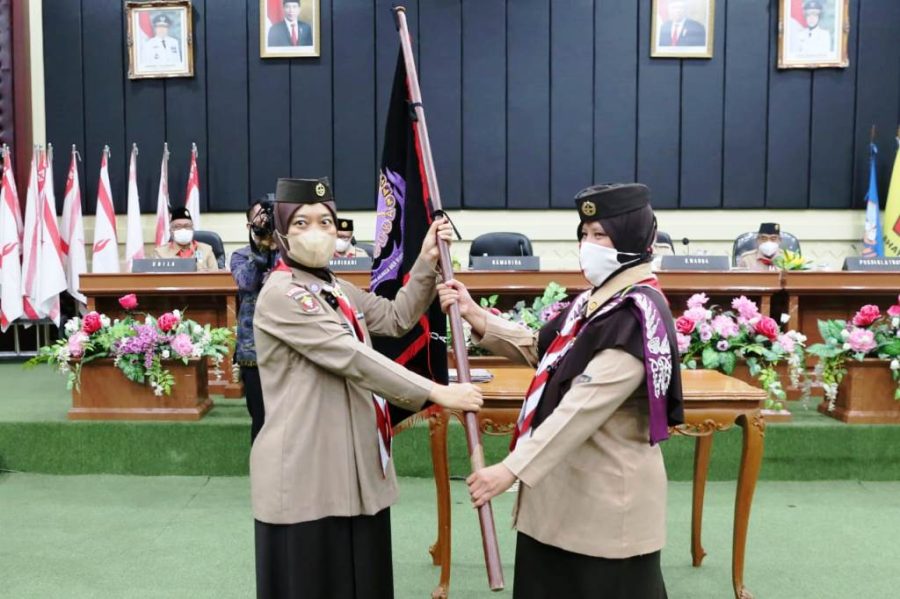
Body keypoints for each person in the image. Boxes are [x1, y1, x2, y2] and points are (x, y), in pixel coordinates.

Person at [438, 183, 684, 599]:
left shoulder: (638, 313)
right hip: (556, 499)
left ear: (631, 237)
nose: (588, 245)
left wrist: (510, 469)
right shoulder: (597, 300)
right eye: (584, 234)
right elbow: (544, 351)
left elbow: (580, 408)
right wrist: (476, 315)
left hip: (604, 510)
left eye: (600, 235)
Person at [251, 177, 483, 598]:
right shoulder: (283, 295)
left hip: (351, 465)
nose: (317, 232)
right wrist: (435, 391)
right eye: (301, 223)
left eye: (325, 221)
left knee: (362, 577)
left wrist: (428, 259)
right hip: (307, 471)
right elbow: (351, 355)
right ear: (282, 232)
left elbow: (395, 317)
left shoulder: (333, 289)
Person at [230, 196, 279, 444]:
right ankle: (263, 472)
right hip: (254, 351)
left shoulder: (290, 254)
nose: (264, 222)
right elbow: (246, 283)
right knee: (260, 417)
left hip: (287, 347)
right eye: (258, 218)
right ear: (249, 225)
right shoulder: (240, 255)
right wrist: (260, 248)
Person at [152, 206, 219, 271]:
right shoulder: (160, 253)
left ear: (192, 229)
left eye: (187, 226)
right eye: (178, 226)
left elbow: (216, 277)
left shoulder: (206, 250)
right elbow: (157, 280)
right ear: (171, 231)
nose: (183, 230)